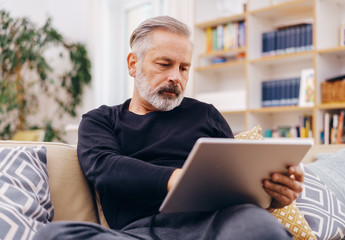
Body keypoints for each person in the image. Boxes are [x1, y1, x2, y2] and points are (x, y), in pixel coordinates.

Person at [35, 15, 303, 240]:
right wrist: (176, 178)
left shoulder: (205, 114)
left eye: (184, 68)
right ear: (133, 64)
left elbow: (235, 178)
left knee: (260, 227)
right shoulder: (101, 119)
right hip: (138, 232)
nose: (176, 77)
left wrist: (275, 197)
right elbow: (104, 167)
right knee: (53, 235)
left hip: (216, 224)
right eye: (165, 64)